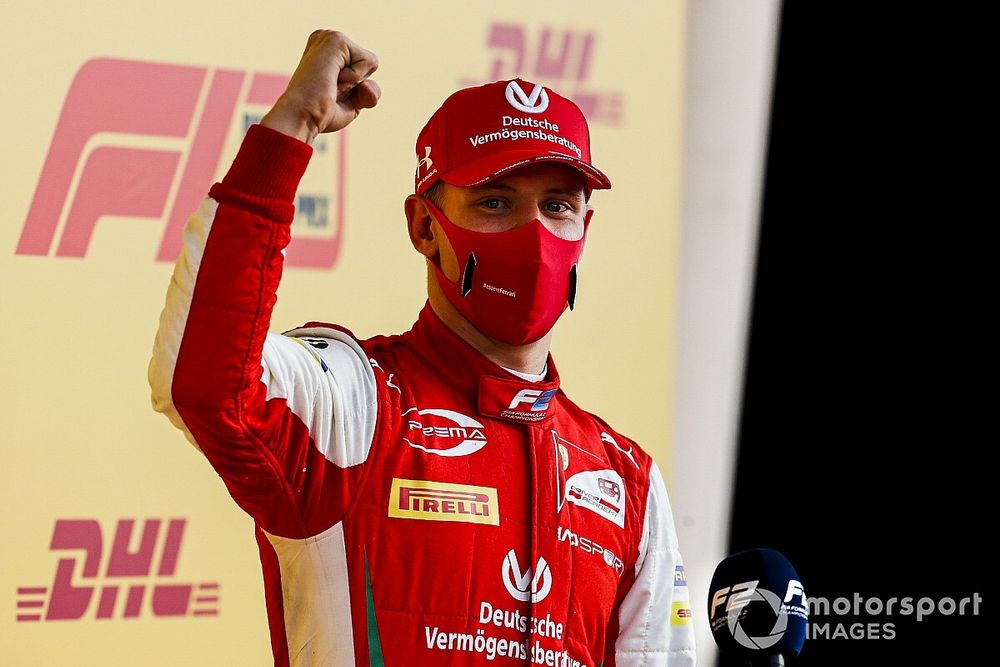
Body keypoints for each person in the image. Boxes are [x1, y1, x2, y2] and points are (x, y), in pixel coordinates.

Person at [149, 29, 696, 667]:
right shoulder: (354, 402)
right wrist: (290, 130)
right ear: (422, 226)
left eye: (558, 205)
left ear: (584, 227)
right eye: (495, 203)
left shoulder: (625, 477)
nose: (534, 233)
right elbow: (201, 379)